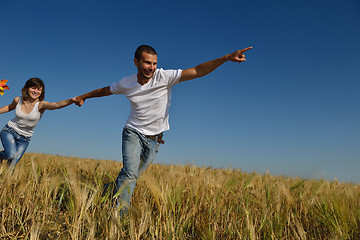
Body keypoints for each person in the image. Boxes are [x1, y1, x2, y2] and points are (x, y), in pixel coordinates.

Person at [74, 45, 252, 213]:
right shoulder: (126, 83)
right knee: (129, 174)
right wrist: (84, 96)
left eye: (154, 63)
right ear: (136, 62)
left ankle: (102, 192)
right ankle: (118, 217)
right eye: (147, 63)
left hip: (154, 140)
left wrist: (227, 58)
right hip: (133, 132)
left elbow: (198, 71)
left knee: (131, 177)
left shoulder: (164, 77)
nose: (151, 67)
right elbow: (105, 91)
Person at [0, 78, 76, 169]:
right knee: (11, 154)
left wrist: (71, 100)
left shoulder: (41, 105)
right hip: (10, 131)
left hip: (24, 139)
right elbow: (9, 107)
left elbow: (56, 105)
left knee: (11, 166)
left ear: (42, 92)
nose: (36, 91)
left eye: (39, 89)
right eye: (33, 88)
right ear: (27, 88)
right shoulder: (18, 100)